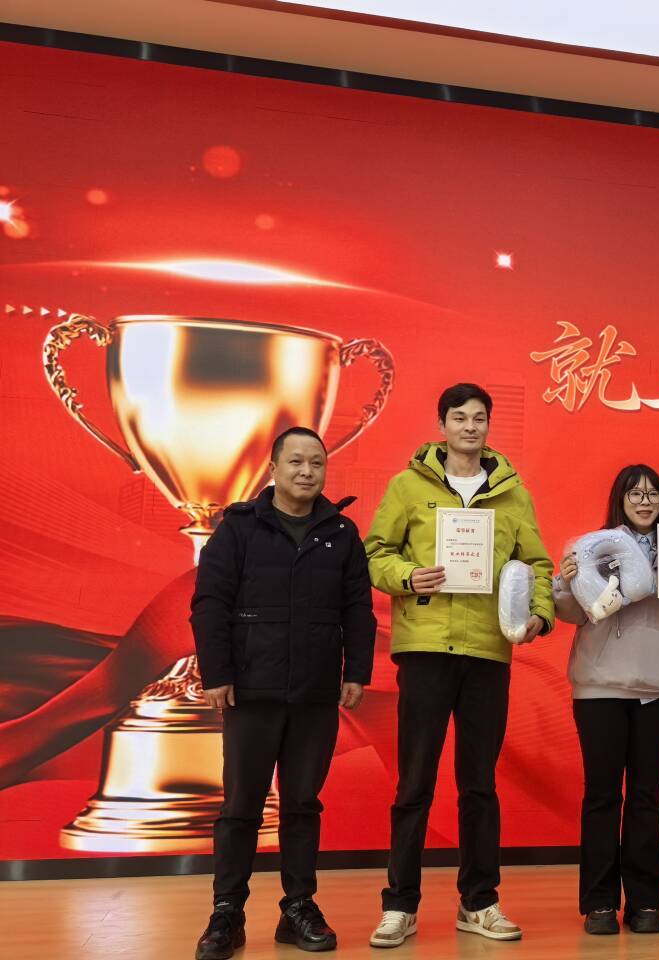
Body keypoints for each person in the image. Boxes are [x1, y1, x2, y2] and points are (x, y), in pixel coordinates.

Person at [364, 383, 554, 948]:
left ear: (489, 425)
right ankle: (400, 906)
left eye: (479, 418)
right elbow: (375, 553)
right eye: (459, 417)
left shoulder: (513, 495)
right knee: (414, 781)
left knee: (479, 785)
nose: (470, 427)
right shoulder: (407, 486)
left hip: (488, 651)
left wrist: (539, 614)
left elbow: (538, 565)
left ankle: (479, 902)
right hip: (425, 648)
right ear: (442, 425)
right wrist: (407, 576)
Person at [191, 427, 376, 959]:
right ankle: (227, 912)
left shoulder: (341, 532)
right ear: (272, 469)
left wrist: (356, 672)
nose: (306, 471)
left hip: (315, 693)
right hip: (250, 691)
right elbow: (209, 603)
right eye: (295, 461)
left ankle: (298, 907)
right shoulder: (239, 527)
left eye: (316, 462)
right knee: (240, 806)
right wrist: (217, 673)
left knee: (302, 804)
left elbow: (357, 609)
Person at [555, 465, 659, 935]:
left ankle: (646, 901)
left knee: (647, 798)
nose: (644, 501)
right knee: (602, 796)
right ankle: (600, 903)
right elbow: (574, 614)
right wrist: (565, 582)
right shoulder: (590, 546)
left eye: (653, 493)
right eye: (635, 493)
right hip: (599, 688)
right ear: (620, 499)